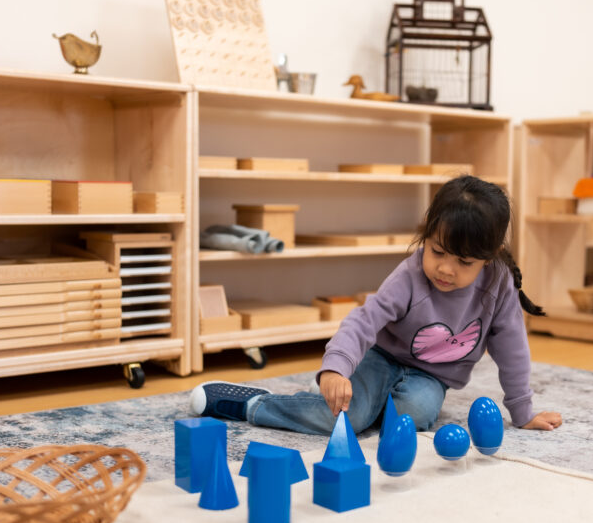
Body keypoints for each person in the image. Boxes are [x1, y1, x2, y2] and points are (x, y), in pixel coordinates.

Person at [190, 175, 563, 435]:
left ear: (489, 258)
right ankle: (256, 405)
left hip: (431, 377)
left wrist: (522, 412)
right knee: (347, 420)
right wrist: (336, 369)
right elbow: (362, 323)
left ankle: (366, 404)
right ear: (426, 234)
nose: (446, 269)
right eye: (438, 252)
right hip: (381, 357)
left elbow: (512, 348)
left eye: (464, 263)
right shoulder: (410, 275)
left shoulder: (497, 284)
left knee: (411, 415)